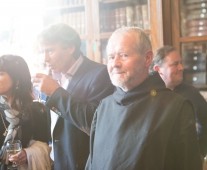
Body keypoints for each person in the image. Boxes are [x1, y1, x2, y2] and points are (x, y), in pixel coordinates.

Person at [35, 26, 202, 170]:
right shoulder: (104, 106)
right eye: (111, 57)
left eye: (123, 55)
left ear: (147, 58)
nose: (115, 63)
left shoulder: (175, 107)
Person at [33, 23, 114, 170]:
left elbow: (93, 121)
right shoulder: (56, 77)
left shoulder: (100, 74)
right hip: (59, 162)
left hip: (85, 164)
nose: (45, 58)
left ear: (70, 48)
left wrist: (56, 92)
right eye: (42, 52)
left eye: (50, 51)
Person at [151, 45, 207, 157]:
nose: (181, 67)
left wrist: (199, 154)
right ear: (158, 69)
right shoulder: (148, 95)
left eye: (180, 63)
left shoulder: (191, 93)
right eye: (175, 64)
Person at [0, 55, 51, 170]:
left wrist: (28, 154)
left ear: (17, 79)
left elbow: (46, 147)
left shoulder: (37, 110)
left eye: (1, 73)